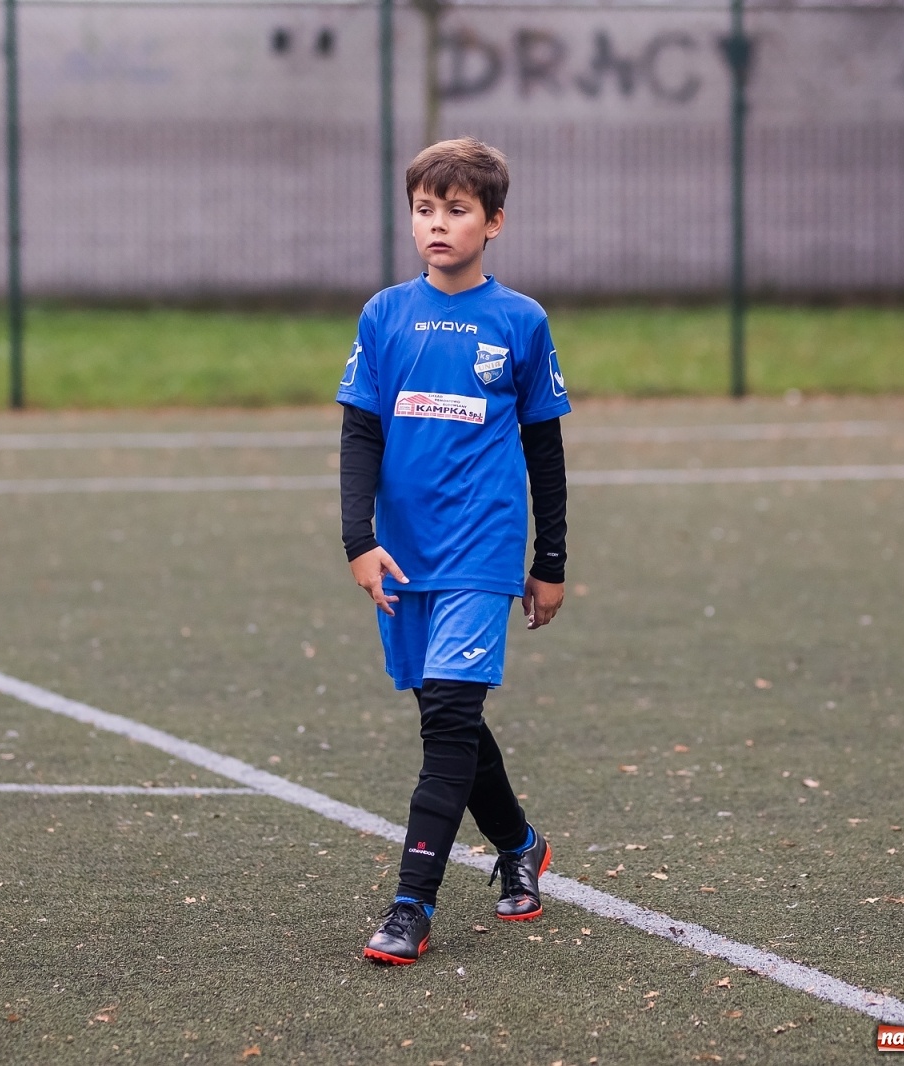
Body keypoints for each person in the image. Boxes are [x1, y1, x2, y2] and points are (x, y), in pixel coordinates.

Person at [337, 138, 571, 965]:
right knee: (451, 713)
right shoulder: (384, 315)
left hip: (482, 545)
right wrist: (358, 540)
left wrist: (550, 561)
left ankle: (411, 905)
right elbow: (360, 433)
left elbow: (545, 449)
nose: (437, 223)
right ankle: (520, 843)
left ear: (494, 222)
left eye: (457, 209)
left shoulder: (520, 321)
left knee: (446, 721)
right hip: (403, 552)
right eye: (425, 209)